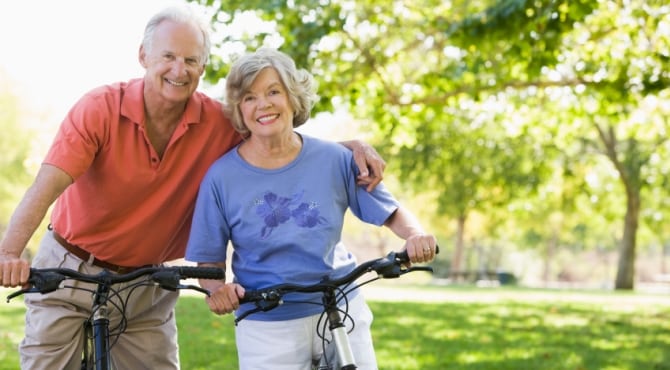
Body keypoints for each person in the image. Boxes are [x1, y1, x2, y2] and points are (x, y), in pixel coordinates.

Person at [0, 6, 387, 370]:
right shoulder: (99, 109)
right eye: (168, 56)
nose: (178, 69)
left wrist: (346, 149)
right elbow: (46, 186)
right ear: (143, 57)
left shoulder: (217, 123)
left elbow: (277, 141)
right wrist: (9, 253)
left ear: (202, 66)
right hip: (69, 269)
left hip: (148, 284)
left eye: (190, 60)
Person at [185, 47, 438, 370]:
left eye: (273, 91)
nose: (262, 104)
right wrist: (217, 290)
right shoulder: (221, 177)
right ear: (239, 109)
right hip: (266, 319)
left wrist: (415, 235)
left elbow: (389, 211)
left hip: (341, 304)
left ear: (293, 97)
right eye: (249, 97)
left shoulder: (336, 159)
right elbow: (208, 262)